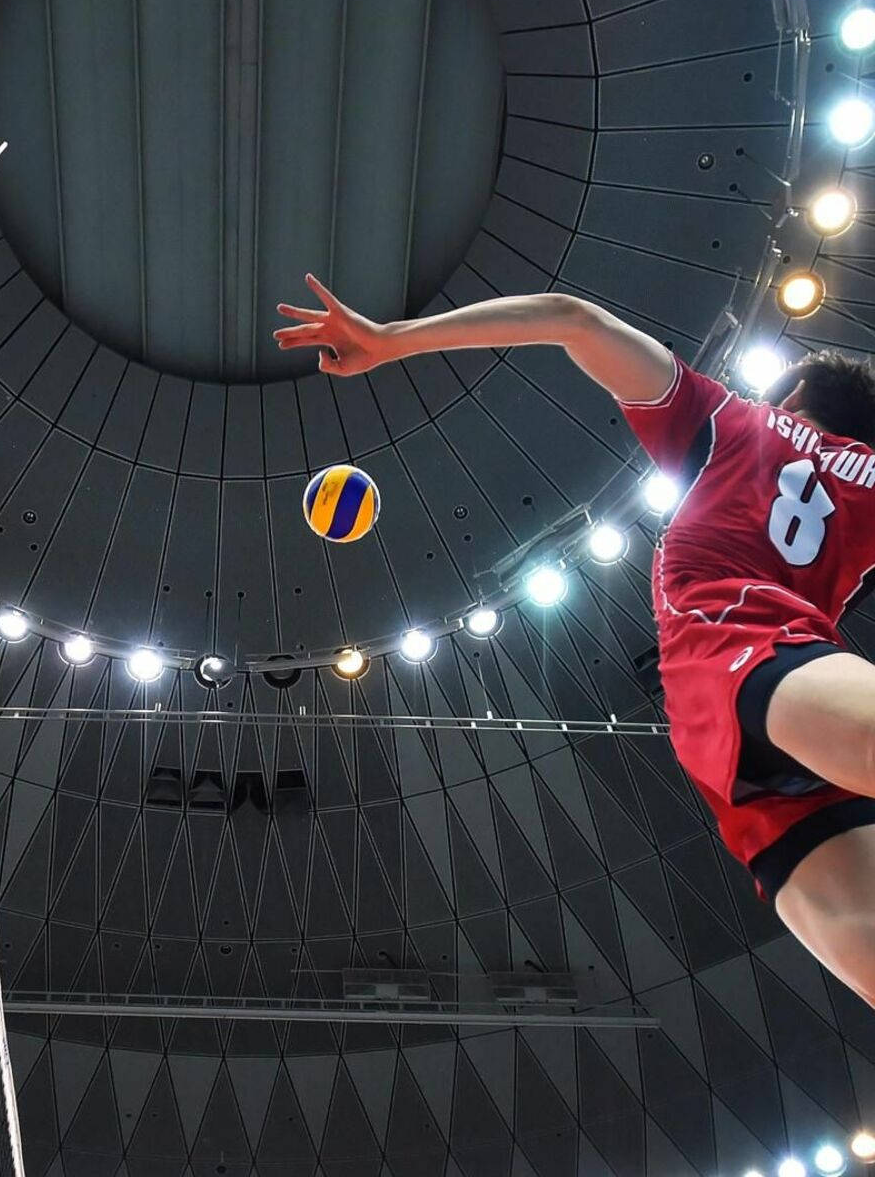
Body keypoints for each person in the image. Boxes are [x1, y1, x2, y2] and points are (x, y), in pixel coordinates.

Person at [274, 275, 875, 1008]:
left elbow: (571, 317)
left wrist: (392, 340)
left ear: (791, 397)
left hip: (737, 666)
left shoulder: (736, 422)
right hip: (773, 685)